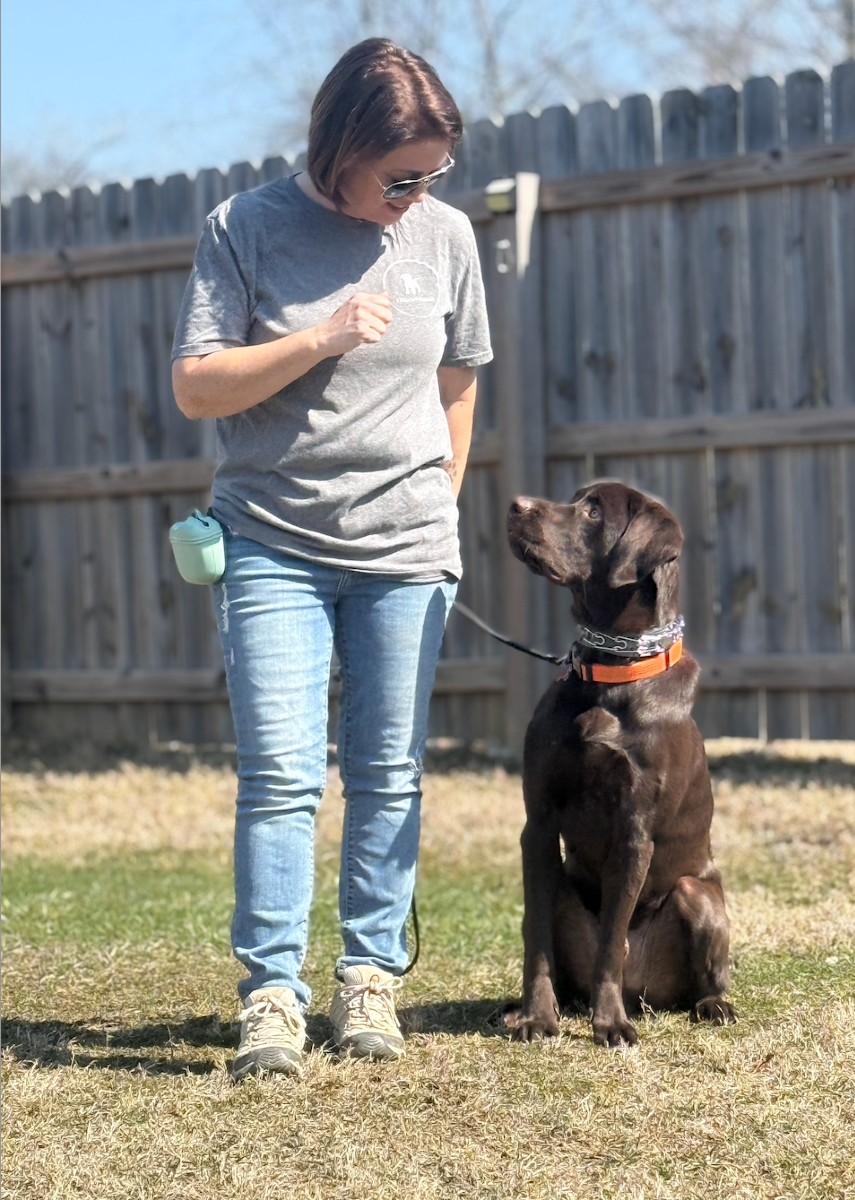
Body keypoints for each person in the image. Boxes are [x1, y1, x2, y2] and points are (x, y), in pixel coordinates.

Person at [171, 38, 493, 1080]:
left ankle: (369, 981)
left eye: (432, 174)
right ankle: (271, 995)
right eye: (399, 175)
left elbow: (459, 378)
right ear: (339, 147)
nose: (417, 193)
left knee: (388, 775)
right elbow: (199, 388)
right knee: (279, 776)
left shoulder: (444, 237)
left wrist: (438, 506)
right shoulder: (245, 228)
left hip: (405, 549)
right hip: (274, 543)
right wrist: (318, 338)